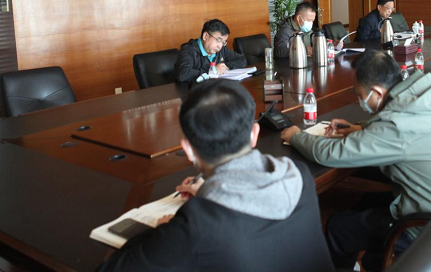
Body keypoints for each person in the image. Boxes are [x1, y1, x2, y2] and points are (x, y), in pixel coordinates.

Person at [280, 51, 431, 270]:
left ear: (376, 92)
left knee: (338, 228)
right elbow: (404, 125)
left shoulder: (397, 128)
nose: (359, 100)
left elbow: (332, 153)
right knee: (365, 201)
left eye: (359, 94)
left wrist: (296, 136)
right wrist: (362, 128)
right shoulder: (429, 98)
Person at [98, 79, 334, 272]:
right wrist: (208, 191)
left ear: (188, 149)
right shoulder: (299, 176)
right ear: (254, 134)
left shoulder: (198, 223)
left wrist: (165, 232)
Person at [174, 19, 247, 83]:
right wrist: (212, 70)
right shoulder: (188, 50)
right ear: (205, 36)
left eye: (223, 42)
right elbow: (182, 74)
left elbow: (242, 59)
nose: (220, 46)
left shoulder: (221, 49)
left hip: (215, 88)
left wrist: (224, 67)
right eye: (218, 40)